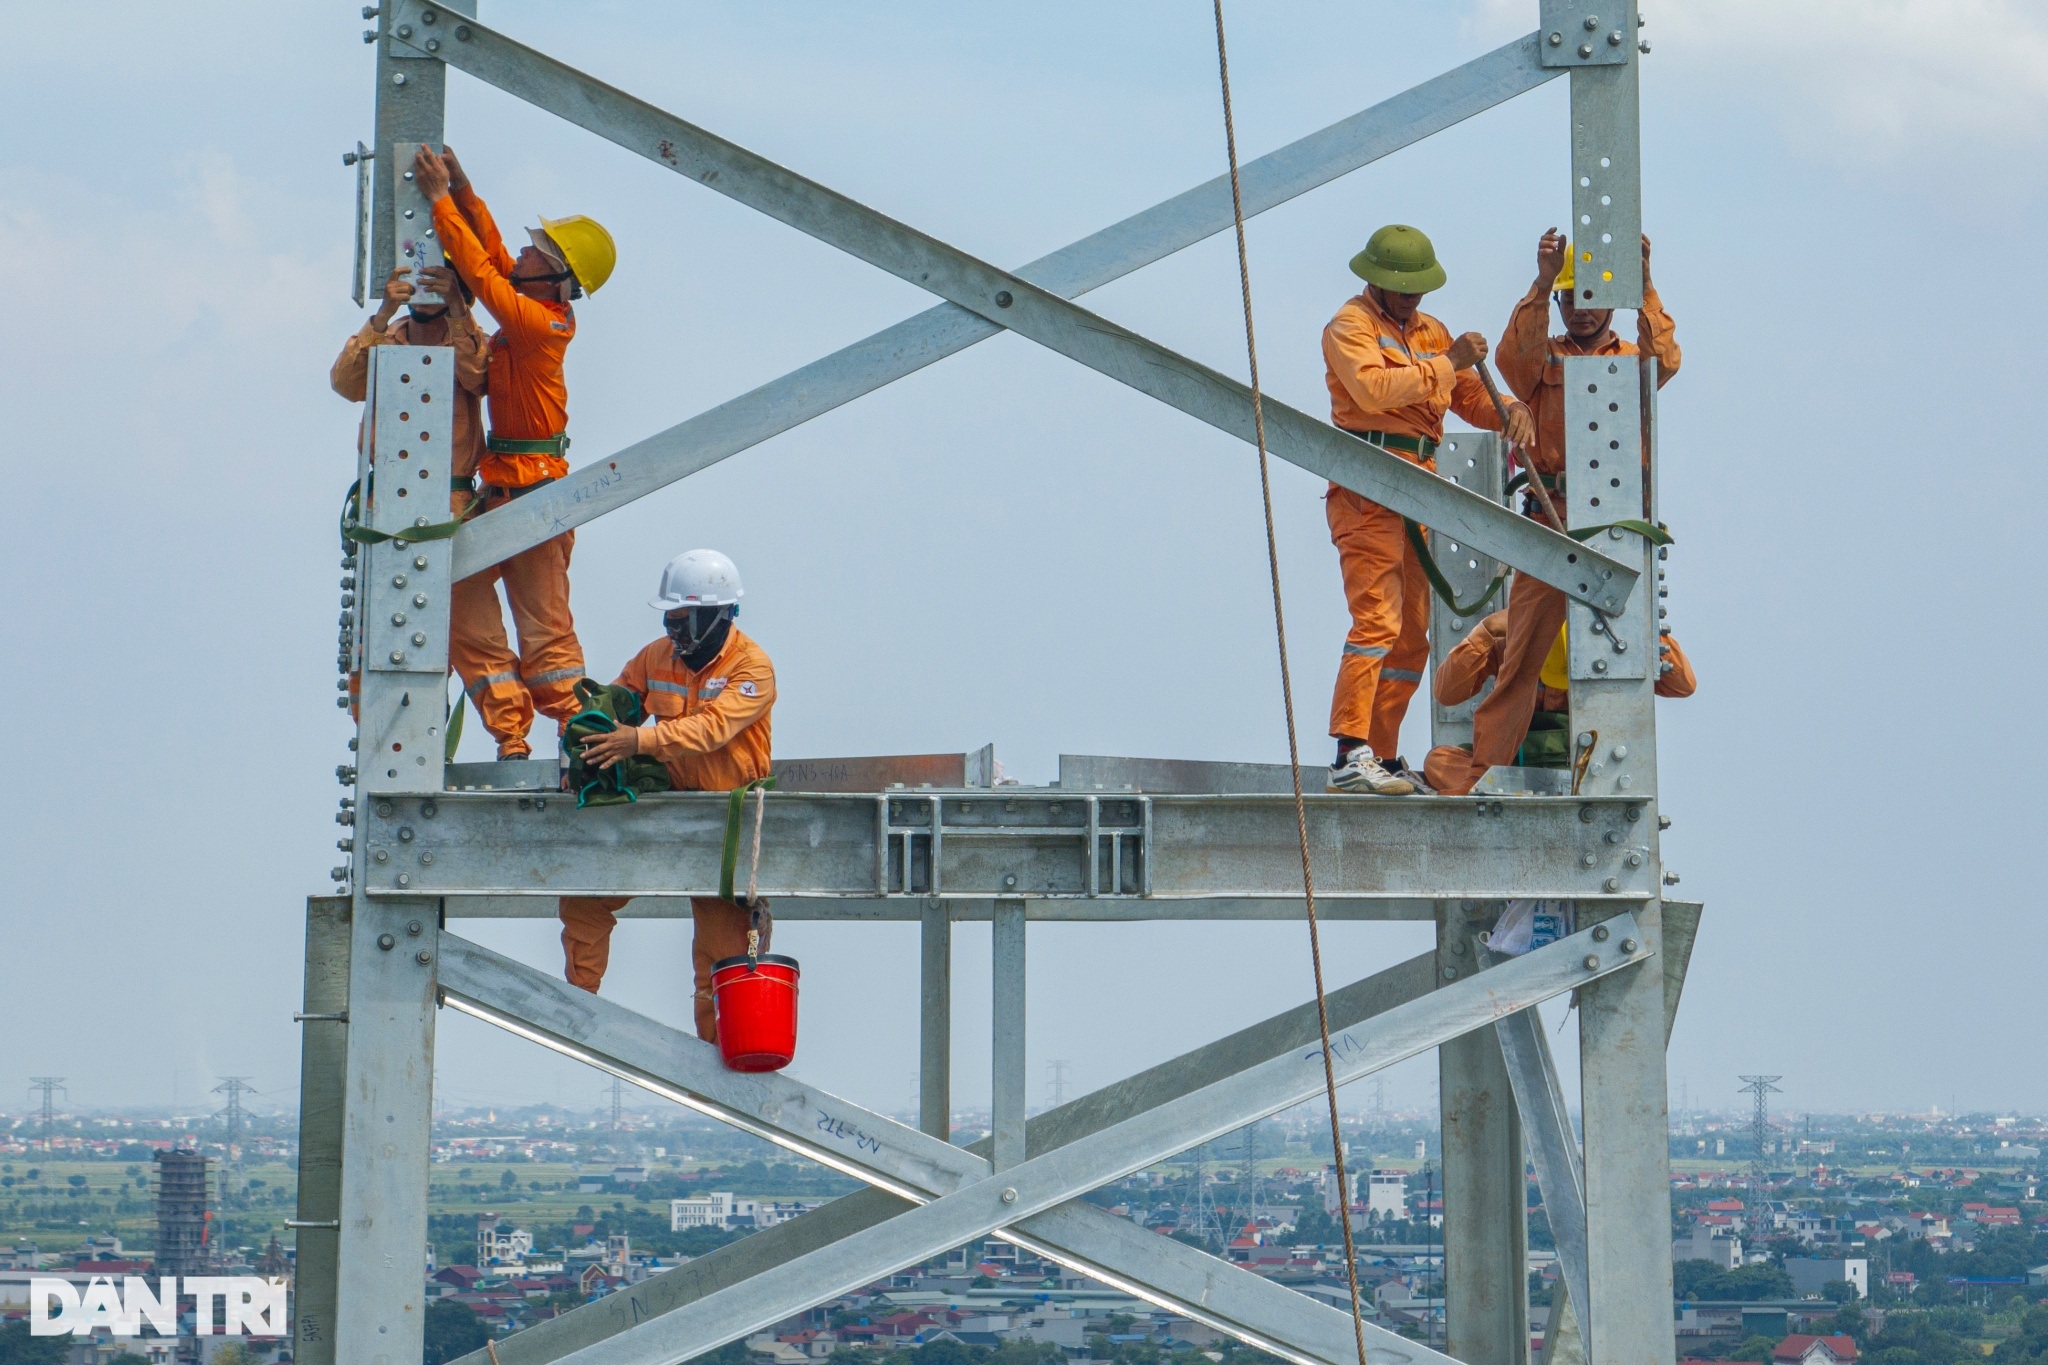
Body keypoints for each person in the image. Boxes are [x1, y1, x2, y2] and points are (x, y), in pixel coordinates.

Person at [1434, 229, 1681, 795]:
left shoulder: (1632, 361)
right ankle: (1488, 769)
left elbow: (1665, 359)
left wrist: (1645, 285)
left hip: (1616, 523)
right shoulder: (1543, 356)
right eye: (1571, 299)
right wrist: (1542, 284)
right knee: (1521, 653)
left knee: (1618, 647)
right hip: (1551, 515)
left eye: (1590, 297)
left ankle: (1610, 774)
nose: (1581, 311)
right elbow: (1511, 362)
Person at [409, 144, 618, 760]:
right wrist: (465, 191)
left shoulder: (536, 322)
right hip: (501, 486)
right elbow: (497, 258)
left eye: (537, 250)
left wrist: (441, 202)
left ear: (553, 276)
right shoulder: (534, 304)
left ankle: (590, 741)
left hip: (535, 491)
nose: (524, 251)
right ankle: (512, 741)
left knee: (547, 641)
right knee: (467, 614)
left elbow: (481, 273)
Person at [1322, 224, 1535, 795]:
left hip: (1417, 492)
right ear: (1377, 282)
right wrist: (1449, 363)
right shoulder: (1351, 325)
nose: (1413, 299)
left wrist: (1510, 407)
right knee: (1377, 621)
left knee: (1411, 634)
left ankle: (1382, 754)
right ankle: (1350, 750)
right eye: (1404, 289)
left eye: (1419, 289)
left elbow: (1467, 397)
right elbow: (1371, 389)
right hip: (1368, 486)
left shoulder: (1429, 331)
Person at [557, 550, 776, 1044]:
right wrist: (585, 748)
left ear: (719, 617)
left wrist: (637, 741)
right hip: (664, 808)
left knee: (721, 960)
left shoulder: (752, 668)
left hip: (725, 824)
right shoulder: (655, 657)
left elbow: (713, 730)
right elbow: (617, 700)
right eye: (669, 621)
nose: (674, 635)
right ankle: (575, 1009)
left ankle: (720, 1065)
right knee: (586, 896)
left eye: (683, 623)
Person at [330, 263, 488, 718]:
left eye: (438, 277)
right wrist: (383, 313)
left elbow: (479, 376)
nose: (426, 287)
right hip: (386, 506)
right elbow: (345, 383)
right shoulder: (388, 335)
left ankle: (510, 738)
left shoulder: (466, 338)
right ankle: (382, 723)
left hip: (451, 502)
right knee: (384, 628)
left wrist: (457, 310)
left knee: (475, 632)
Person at [1422, 613, 1696, 792]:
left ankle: (1501, 793)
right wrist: (1485, 631)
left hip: (1581, 769)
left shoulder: (1603, 641)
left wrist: (1639, 625)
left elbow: (1682, 684)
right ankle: (1501, 793)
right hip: (1512, 769)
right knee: (1439, 761)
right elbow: (1447, 691)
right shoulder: (1514, 639)